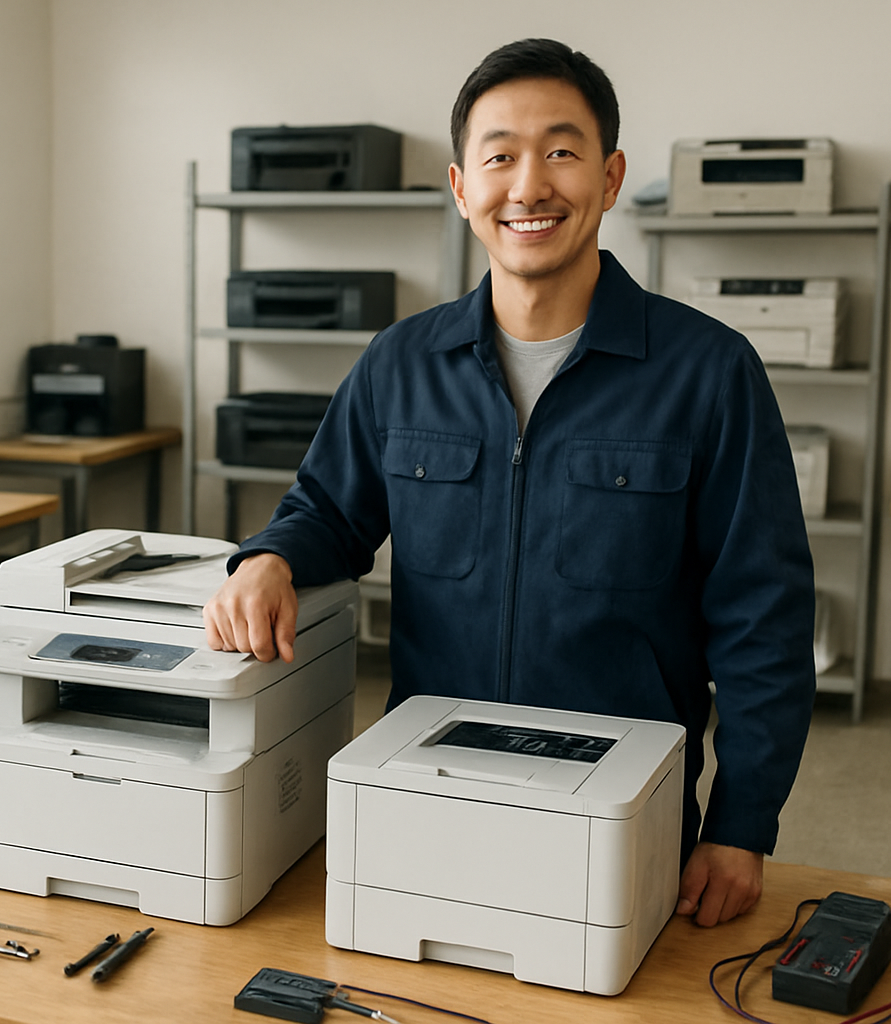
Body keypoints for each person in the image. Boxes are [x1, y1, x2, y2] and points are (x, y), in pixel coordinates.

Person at [203, 38, 816, 928]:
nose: (529, 187)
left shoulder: (709, 373)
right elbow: (329, 510)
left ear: (609, 178)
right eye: (499, 158)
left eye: (561, 152)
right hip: (425, 793)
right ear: (461, 188)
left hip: (621, 812)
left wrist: (742, 823)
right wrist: (267, 559)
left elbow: (763, 617)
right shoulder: (400, 364)